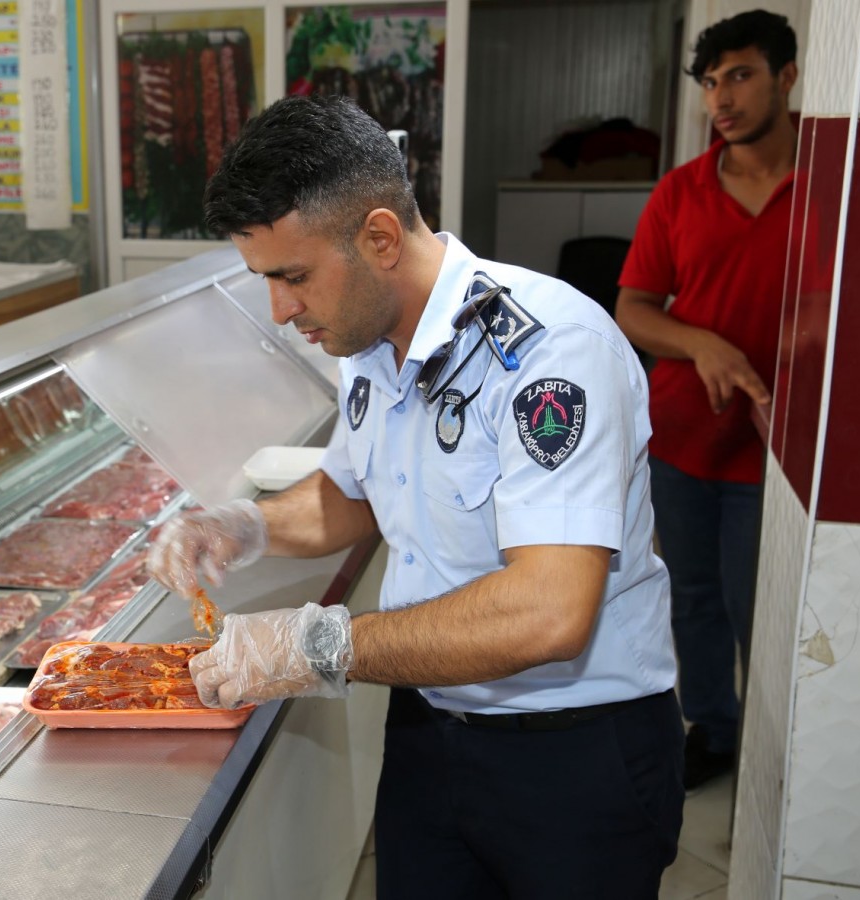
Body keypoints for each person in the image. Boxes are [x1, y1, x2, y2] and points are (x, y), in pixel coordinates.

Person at [148, 94, 683, 899]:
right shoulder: (365, 340)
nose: (281, 310)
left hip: (574, 754)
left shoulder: (550, 352)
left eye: (293, 277)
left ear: (380, 238)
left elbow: (550, 611)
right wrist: (243, 525)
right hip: (431, 736)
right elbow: (351, 496)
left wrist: (322, 647)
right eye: (265, 280)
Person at [616, 10, 796, 791]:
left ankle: (777, 748)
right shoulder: (681, 192)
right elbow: (634, 308)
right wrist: (705, 344)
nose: (721, 97)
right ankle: (715, 730)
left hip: (783, 450)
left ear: (787, 76)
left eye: (742, 75)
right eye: (711, 82)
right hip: (687, 438)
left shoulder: (834, 188)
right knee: (691, 595)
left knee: (763, 607)